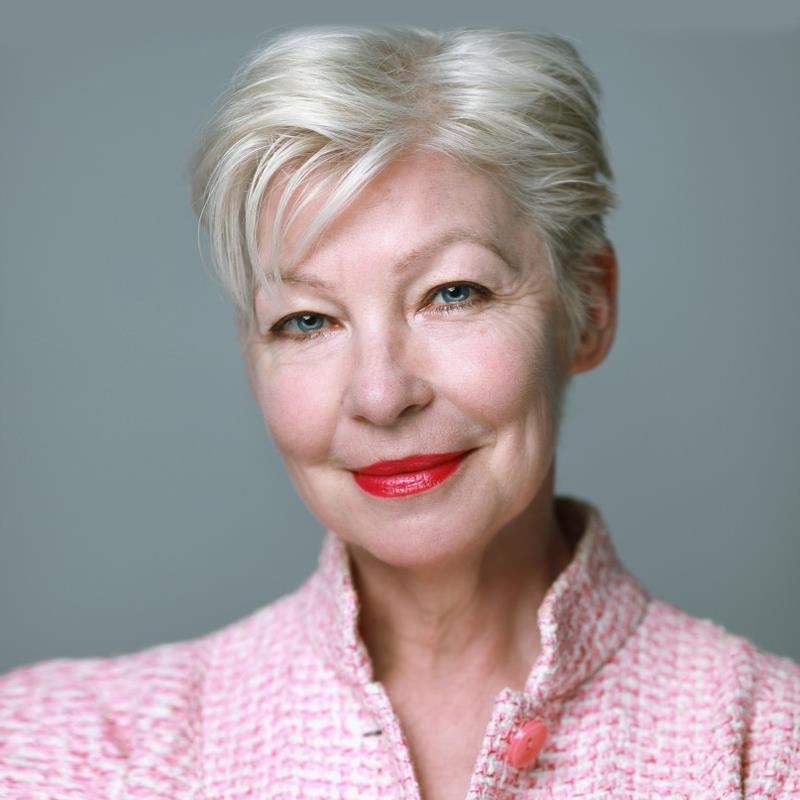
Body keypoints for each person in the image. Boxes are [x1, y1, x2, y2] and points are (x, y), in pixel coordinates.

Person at [1, 24, 798, 800]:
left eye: (453, 293)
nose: (382, 396)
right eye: (307, 320)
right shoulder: (56, 752)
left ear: (588, 308)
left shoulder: (769, 748)